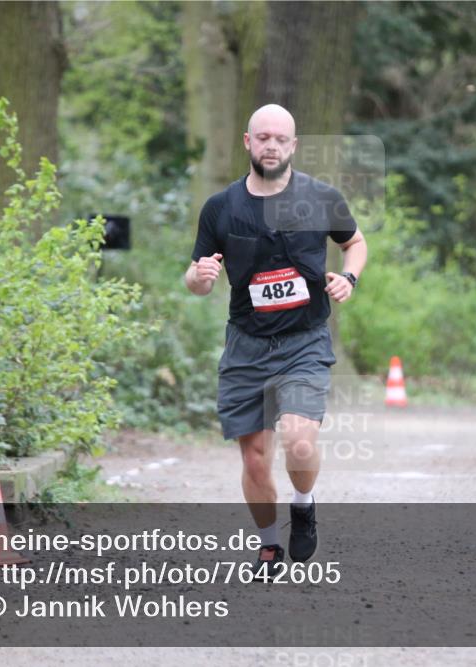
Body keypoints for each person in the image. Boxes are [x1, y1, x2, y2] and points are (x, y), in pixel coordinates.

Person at [184, 104, 367, 578]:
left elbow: (355, 242)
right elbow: (196, 276)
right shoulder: (221, 207)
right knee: (255, 459)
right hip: (246, 345)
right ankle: (269, 545)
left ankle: (303, 505)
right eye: (262, 137)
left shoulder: (321, 197)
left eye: (280, 138)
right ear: (248, 142)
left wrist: (349, 278)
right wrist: (200, 278)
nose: (271, 145)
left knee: (299, 443)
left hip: (304, 341)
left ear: (293, 146)